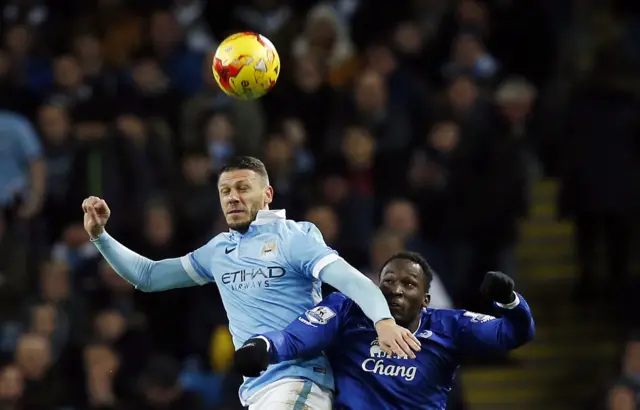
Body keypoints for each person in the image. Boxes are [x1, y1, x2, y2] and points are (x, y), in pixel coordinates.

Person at [81, 156, 420, 409]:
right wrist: (101, 238)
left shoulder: (294, 237)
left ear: (267, 193)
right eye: (225, 191)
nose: (232, 197)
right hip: (256, 389)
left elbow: (352, 280)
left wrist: (384, 321)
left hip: (299, 381)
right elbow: (148, 276)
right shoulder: (218, 250)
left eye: (243, 188)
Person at [234, 251, 535, 409]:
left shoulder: (450, 326)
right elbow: (296, 337)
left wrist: (509, 301)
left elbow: (512, 334)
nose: (396, 291)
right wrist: (263, 347)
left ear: (426, 299)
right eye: (388, 281)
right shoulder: (348, 310)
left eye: (408, 284)